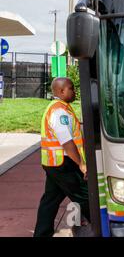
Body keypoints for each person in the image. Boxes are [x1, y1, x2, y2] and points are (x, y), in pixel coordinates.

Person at [34, 78, 90, 237]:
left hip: (55, 163)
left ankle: (41, 234)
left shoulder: (63, 108)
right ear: (61, 91)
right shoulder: (59, 112)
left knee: (50, 202)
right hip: (64, 164)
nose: (75, 91)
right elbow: (66, 141)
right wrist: (81, 164)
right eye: (72, 88)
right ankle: (100, 226)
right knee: (85, 196)